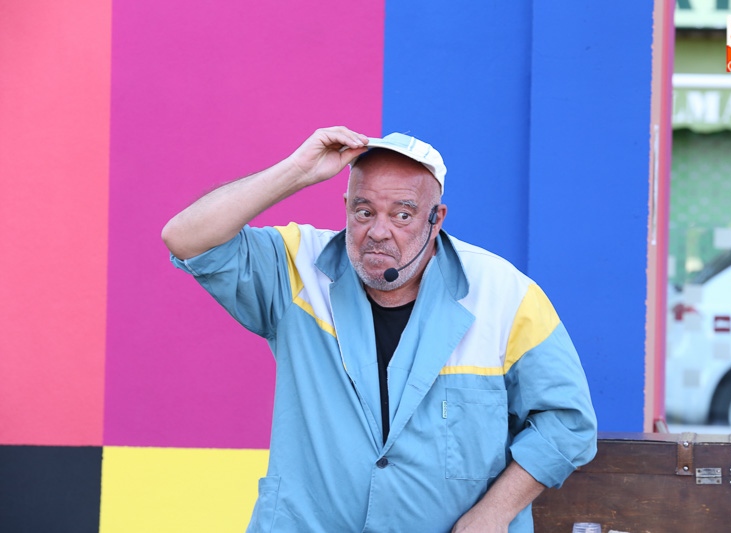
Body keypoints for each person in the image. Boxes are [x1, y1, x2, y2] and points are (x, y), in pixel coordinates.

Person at [162, 126, 597, 532]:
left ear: (436, 219)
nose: (378, 232)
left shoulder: (504, 294)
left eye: (403, 215)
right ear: (346, 209)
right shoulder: (297, 268)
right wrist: (297, 171)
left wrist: (494, 513)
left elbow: (567, 422)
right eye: (364, 211)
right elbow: (185, 239)